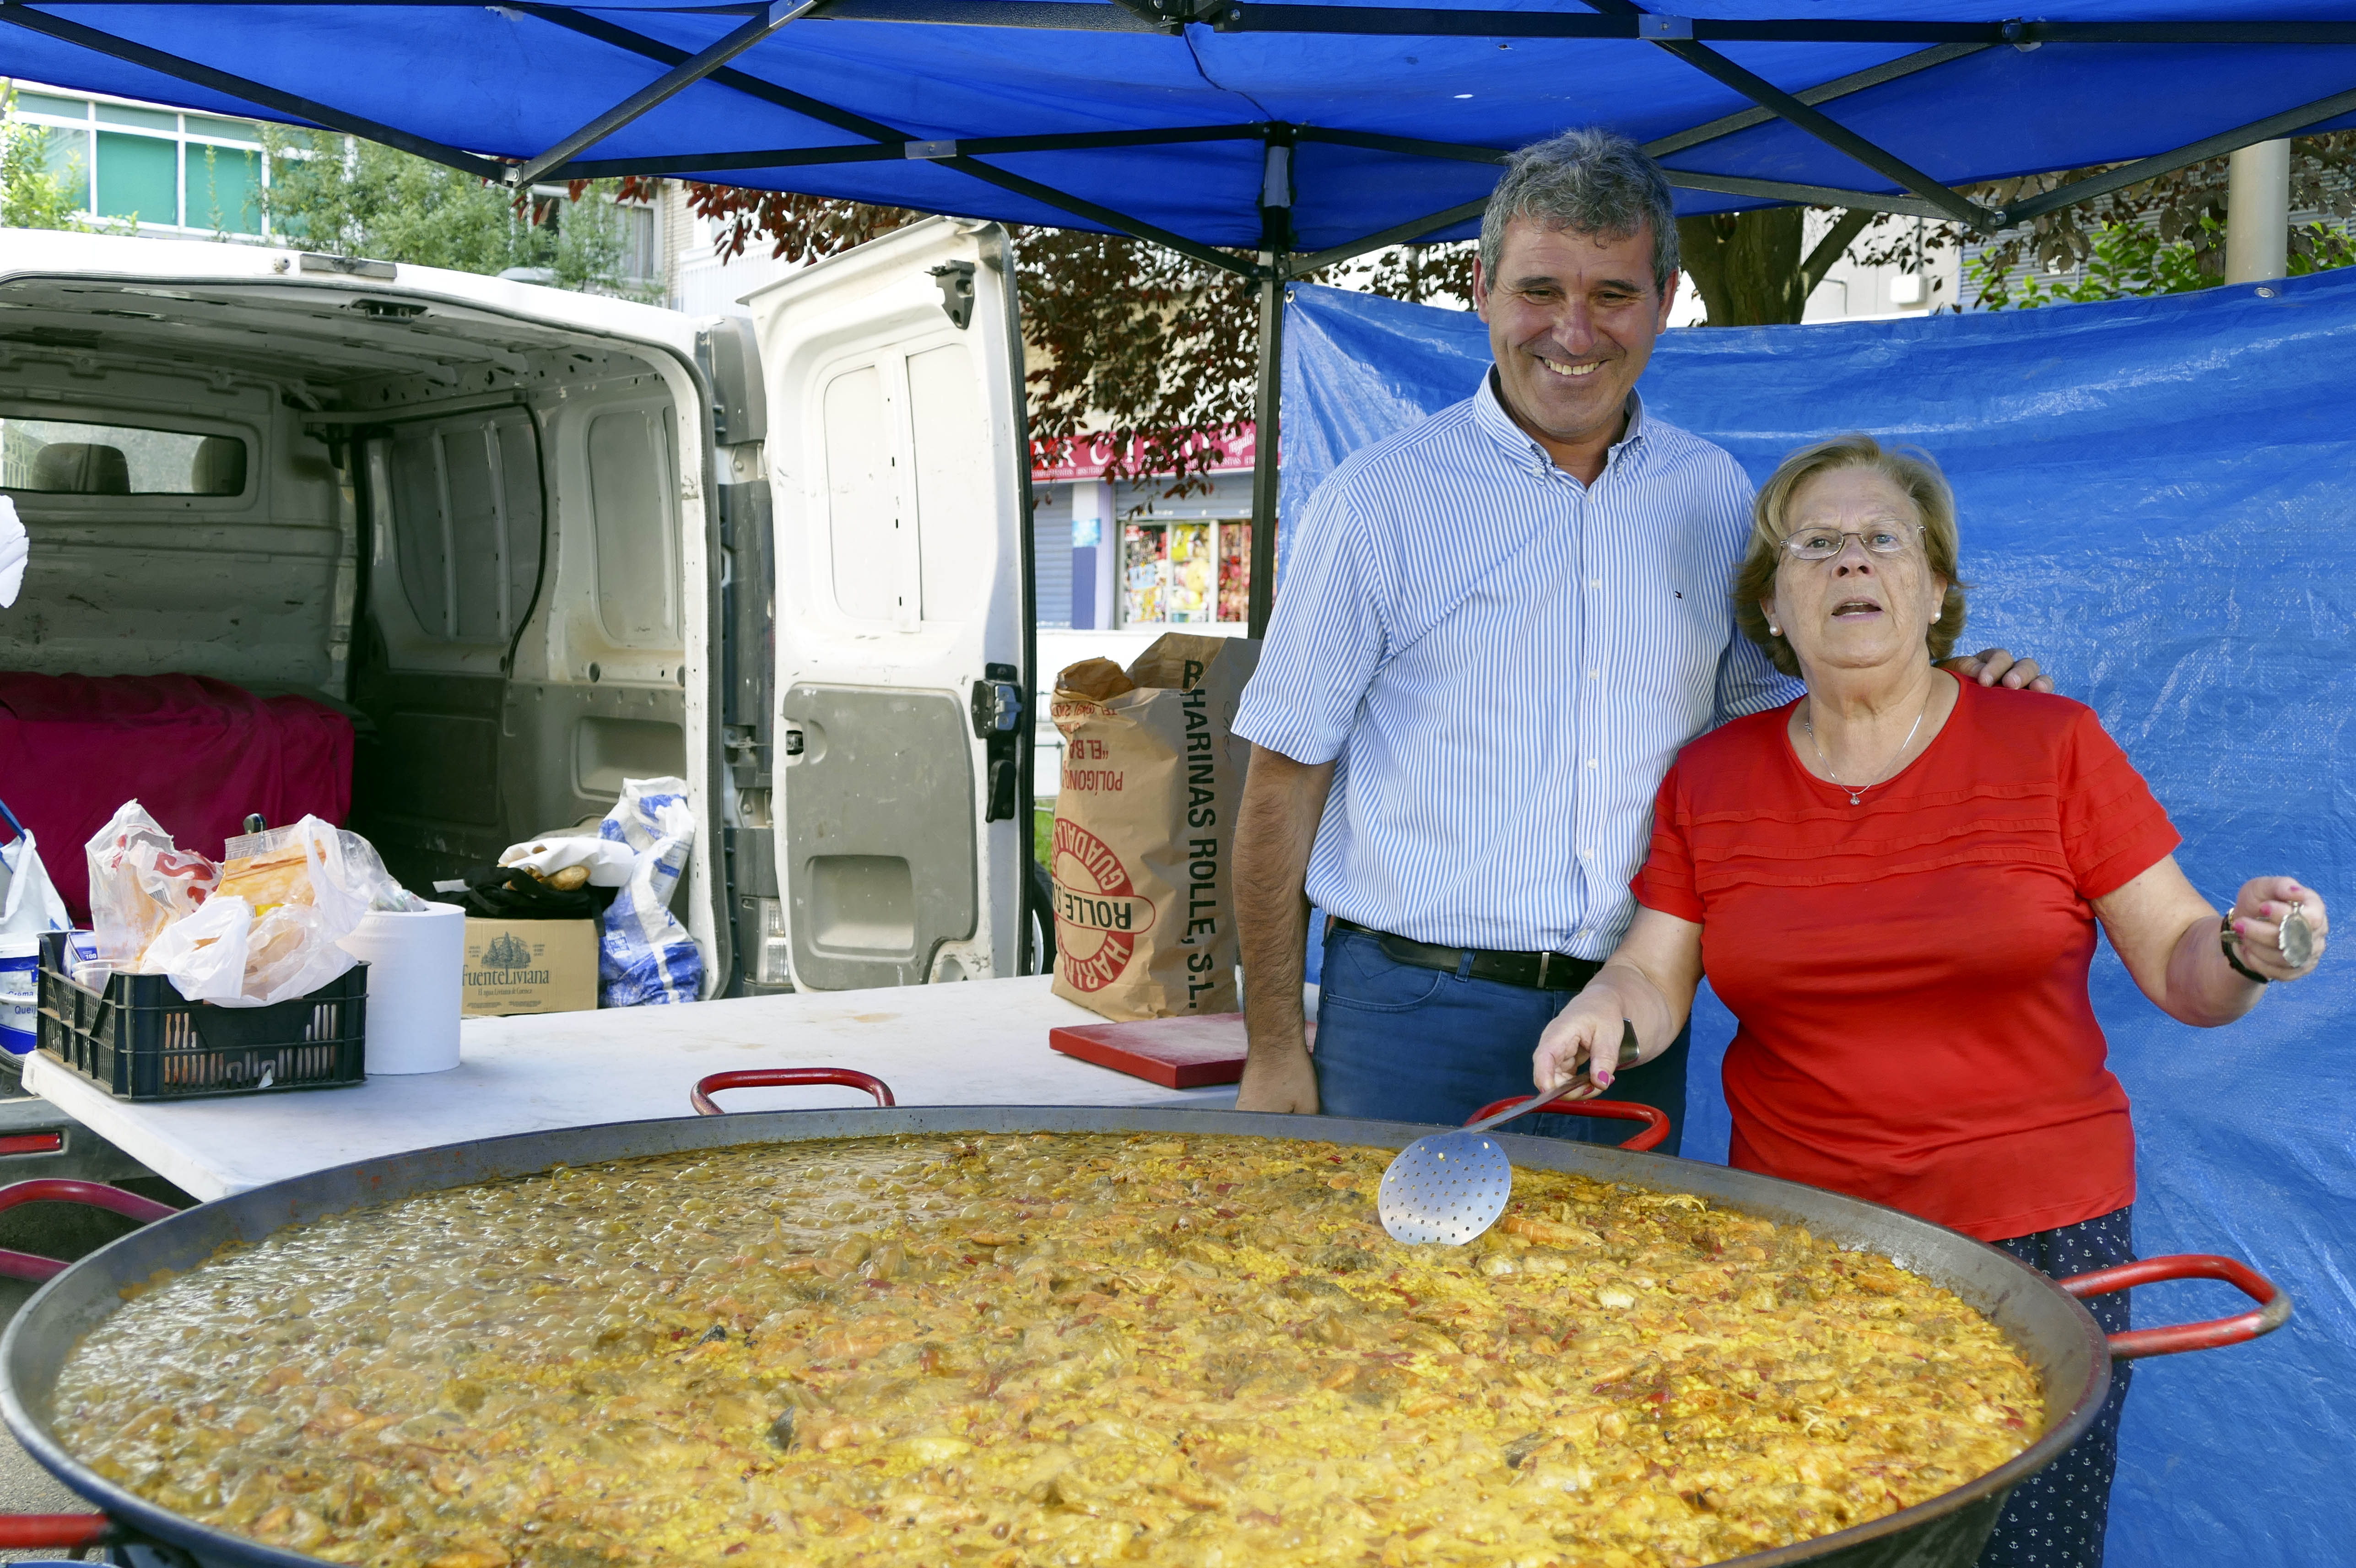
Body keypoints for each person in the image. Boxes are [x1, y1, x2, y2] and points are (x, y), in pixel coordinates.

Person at [1532, 433, 2329, 1568]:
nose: (1852, 564)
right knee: (1819, 1528)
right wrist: (1604, 1013)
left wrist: (2248, 954)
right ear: (1771, 603)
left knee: (2023, 1549)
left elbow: (2183, 968)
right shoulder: (1713, 776)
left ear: (1936, 587)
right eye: (1816, 545)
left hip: (2044, 1236)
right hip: (1805, 1238)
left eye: (1883, 541)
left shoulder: (2050, 745)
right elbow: (1655, 971)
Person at [1230, 127, 2045, 1146]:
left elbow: (1777, 735)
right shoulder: (1377, 505)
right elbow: (1283, 778)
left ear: (1664, 303)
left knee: (1616, 1306)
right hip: (1413, 1016)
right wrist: (1271, 1046)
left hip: (1635, 1021)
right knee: (1393, 1302)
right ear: (1481, 291)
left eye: (1612, 294)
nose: (1573, 332)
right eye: (1539, 290)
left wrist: (1933, 693)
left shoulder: (1710, 495)